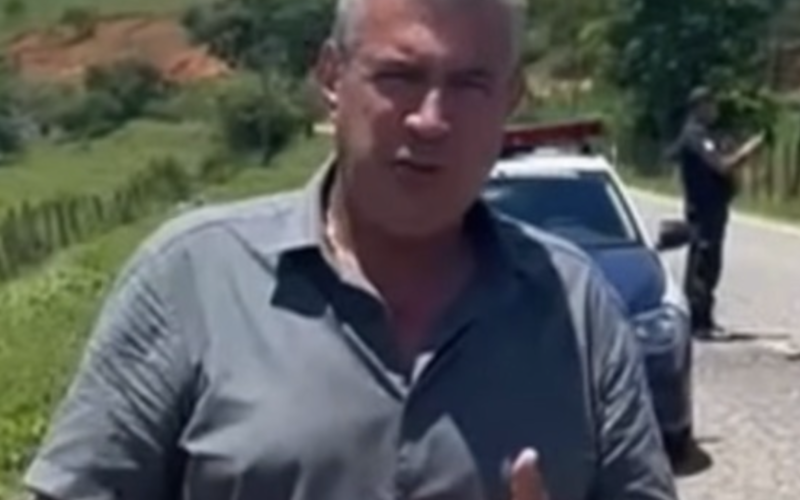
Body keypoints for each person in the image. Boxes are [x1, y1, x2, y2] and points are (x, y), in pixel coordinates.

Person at [22, 0, 678, 499]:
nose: (431, 119)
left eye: (470, 83)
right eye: (399, 75)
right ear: (332, 77)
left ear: (511, 99)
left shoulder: (578, 311)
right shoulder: (192, 280)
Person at [671, 87, 765, 339]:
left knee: (710, 263)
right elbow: (721, 166)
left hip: (712, 208)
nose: (714, 110)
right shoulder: (695, 136)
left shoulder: (704, 135)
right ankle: (698, 322)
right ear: (698, 107)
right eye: (710, 105)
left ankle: (705, 319)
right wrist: (747, 152)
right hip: (703, 209)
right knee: (703, 264)